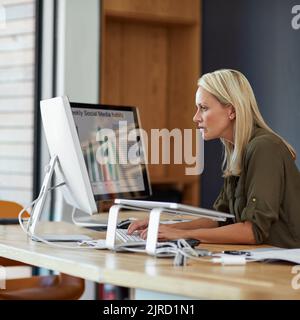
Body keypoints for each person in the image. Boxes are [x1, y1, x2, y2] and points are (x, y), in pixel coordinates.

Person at [128, 69, 300, 248]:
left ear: (231, 110)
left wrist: (183, 235)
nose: (195, 117)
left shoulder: (264, 148)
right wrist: (165, 228)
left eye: (203, 108)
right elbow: (222, 219)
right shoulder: (238, 150)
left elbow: (252, 231)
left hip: (286, 268)